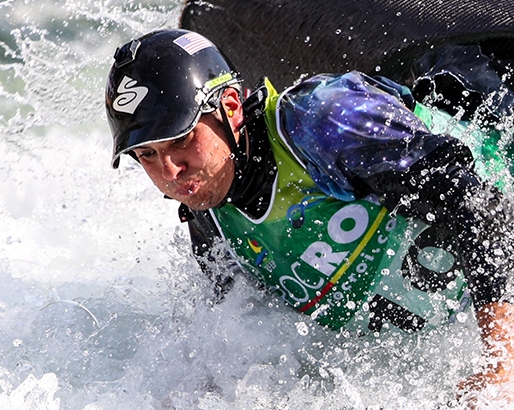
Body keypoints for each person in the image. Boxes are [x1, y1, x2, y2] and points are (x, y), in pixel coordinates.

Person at [105, 28, 514, 402]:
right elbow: (234, 335)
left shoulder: (320, 120)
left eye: (182, 139)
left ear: (229, 107)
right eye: (147, 155)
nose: (170, 171)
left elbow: (478, 204)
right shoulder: (209, 218)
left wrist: (501, 360)